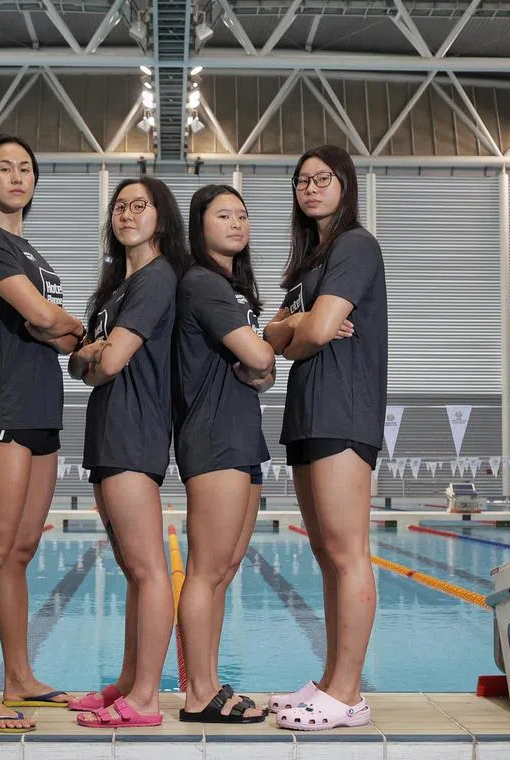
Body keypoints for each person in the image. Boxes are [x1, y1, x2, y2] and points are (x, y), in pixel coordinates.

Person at [0, 134, 84, 734]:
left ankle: (20, 677)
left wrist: (58, 327)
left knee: (22, 551)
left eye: (26, 168)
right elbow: (46, 320)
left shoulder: (31, 252)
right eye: (4, 167)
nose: (16, 176)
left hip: (41, 410)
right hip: (2, 405)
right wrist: (62, 323)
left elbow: (56, 332)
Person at [262, 145, 386, 731]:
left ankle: (347, 692)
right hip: (308, 412)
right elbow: (275, 332)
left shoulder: (356, 246)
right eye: (302, 181)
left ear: (346, 185)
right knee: (325, 555)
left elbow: (307, 329)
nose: (310, 188)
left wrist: (303, 329)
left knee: (346, 553)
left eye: (322, 179)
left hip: (344, 409)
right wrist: (300, 329)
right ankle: (335, 679)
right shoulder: (310, 261)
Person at [67, 177, 190, 728]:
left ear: (161, 217)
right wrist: (90, 355)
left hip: (134, 431)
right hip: (110, 430)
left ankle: (145, 699)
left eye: (139, 205)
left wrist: (92, 354)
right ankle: (127, 682)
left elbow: (107, 364)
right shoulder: (118, 286)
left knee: (148, 570)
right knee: (132, 569)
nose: (126, 213)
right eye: (119, 206)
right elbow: (82, 366)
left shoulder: (157, 278)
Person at [173, 185, 272, 724]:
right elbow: (260, 357)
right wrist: (266, 354)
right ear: (200, 224)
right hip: (213, 437)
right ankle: (199, 693)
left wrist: (261, 361)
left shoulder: (235, 291)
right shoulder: (203, 283)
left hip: (240, 434)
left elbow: (264, 371)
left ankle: (210, 682)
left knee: (225, 568)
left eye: (243, 214)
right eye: (223, 215)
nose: (237, 223)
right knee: (206, 571)